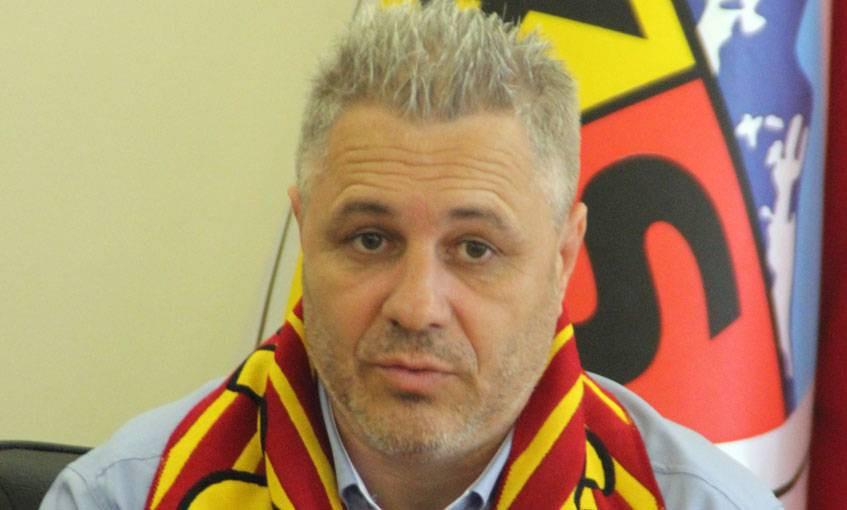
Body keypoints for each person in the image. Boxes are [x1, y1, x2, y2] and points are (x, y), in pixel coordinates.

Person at [42, 1, 782, 508]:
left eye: (475, 248)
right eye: (370, 239)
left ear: (564, 258)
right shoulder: (123, 497)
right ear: (305, 234)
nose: (417, 306)